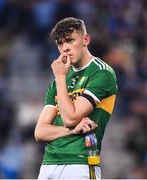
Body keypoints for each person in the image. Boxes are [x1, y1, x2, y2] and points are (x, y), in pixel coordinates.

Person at [34, 17, 118, 179]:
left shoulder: (102, 72)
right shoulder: (58, 81)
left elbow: (71, 118)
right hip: (48, 164)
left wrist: (60, 77)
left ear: (86, 39)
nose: (64, 48)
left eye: (70, 41)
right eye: (60, 43)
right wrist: (72, 130)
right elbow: (40, 132)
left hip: (81, 162)